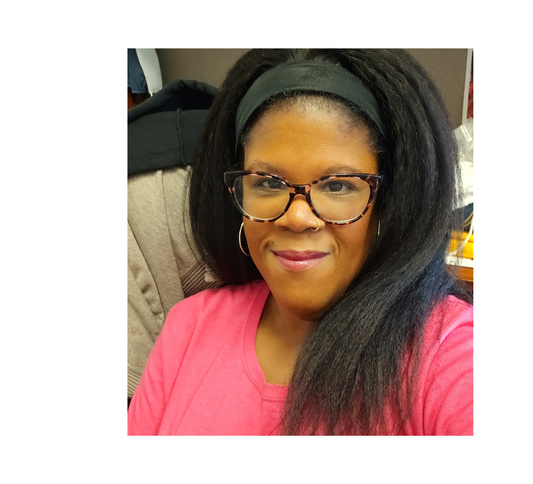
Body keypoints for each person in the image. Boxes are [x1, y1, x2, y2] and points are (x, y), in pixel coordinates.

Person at [127, 49, 473, 436]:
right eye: (268, 183)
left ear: (387, 202)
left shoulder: (448, 353)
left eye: (339, 185)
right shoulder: (188, 328)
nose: (296, 217)